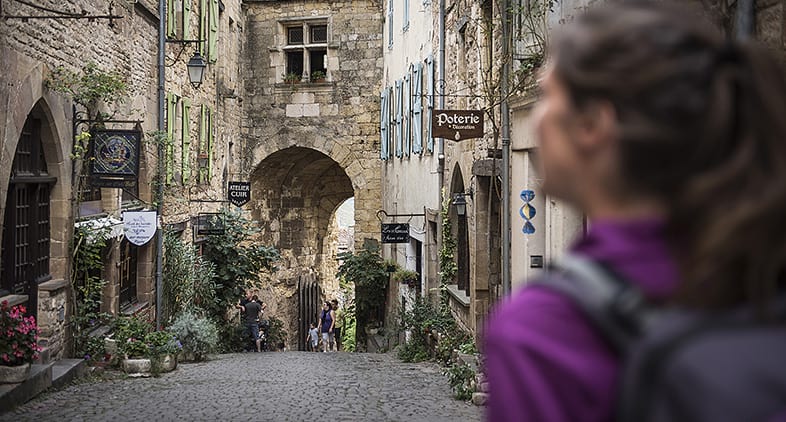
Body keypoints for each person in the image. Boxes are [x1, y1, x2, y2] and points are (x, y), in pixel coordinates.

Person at [483, 2, 786, 421]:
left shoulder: (547, 332)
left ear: (592, 126)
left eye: (547, 96)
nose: (537, 117)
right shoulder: (759, 260)